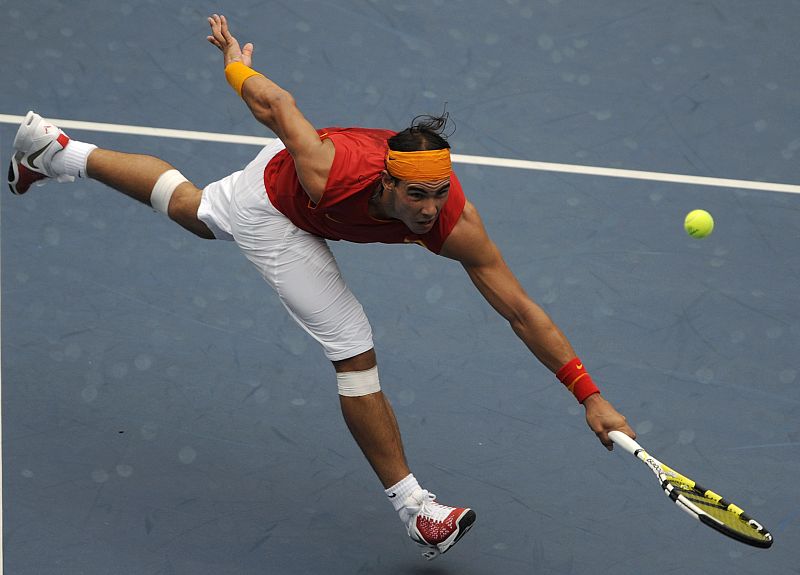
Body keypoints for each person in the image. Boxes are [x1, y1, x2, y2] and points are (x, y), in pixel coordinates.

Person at [7, 14, 636, 560]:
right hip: (273, 204)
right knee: (352, 346)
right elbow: (275, 106)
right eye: (416, 194)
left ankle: (54, 150)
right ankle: (417, 512)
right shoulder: (330, 172)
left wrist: (588, 394)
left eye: (437, 193)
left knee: (195, 213)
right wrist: (234, 64)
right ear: (386, 183)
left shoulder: (453, 222)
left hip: (285, 189)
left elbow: (521, 310)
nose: (428, 209)